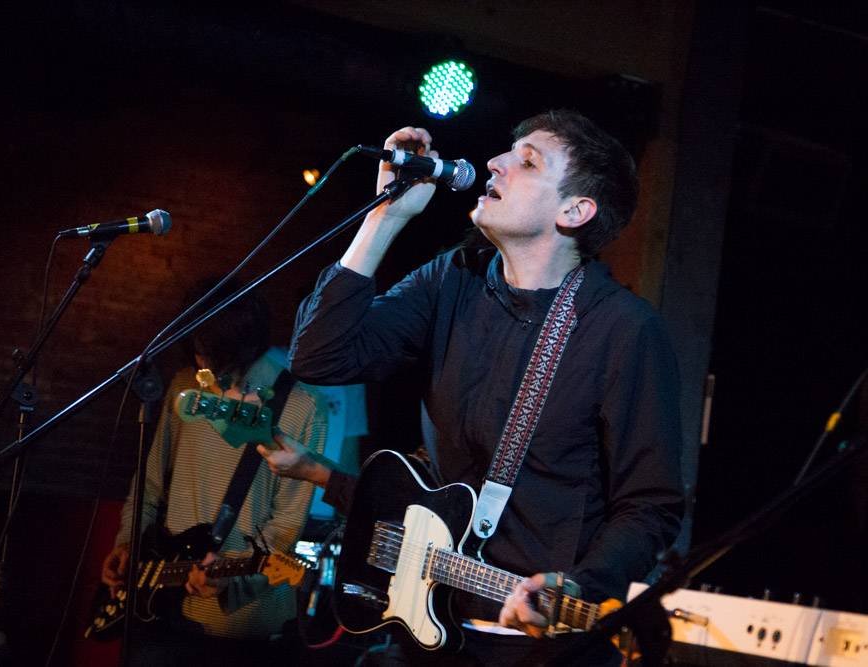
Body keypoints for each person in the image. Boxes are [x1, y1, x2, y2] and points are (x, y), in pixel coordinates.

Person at [261, 110, 684, 665]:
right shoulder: (451, 278)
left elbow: (650, 506)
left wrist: (579, 584)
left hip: (536, 648)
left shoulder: (623, 330)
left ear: (575, 211)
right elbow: (318, 356)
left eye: (527, 161)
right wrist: (384, 219)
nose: (495, 162)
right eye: (508, 151)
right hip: (426, 625)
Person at [100, 280, 330, 665]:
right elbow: (152, 482)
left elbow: (287, 526)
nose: (201, 361)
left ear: (242, 342)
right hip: (159, 610)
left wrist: (233, 581)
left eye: (210, 352)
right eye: (195, 349)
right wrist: (128, 542)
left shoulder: (303, 406)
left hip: (242, 629)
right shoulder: (185, 384)